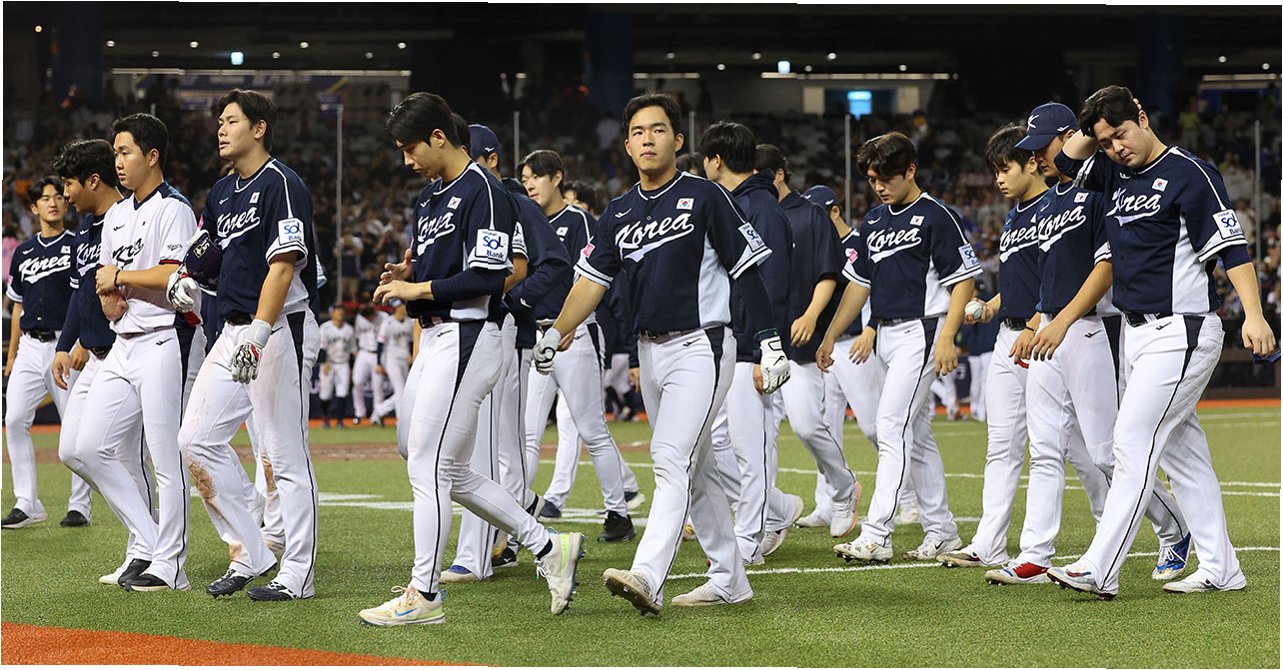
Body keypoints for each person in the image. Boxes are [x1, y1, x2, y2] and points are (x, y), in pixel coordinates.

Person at [538, 92, 789, 614]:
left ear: (677, 140)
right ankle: (730, 580)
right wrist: (558, 330)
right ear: (627, 146)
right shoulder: (618, 211)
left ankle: (647, 574)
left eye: (657, 130)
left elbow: (747, 270)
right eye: (637, 132)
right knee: (697, 468)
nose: (647, 139)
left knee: (671, 457)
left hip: (703, 343)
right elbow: (591, 282)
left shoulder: (706, 196)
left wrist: (769, 341)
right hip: (650, 350)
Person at [357, 92, 583, 626]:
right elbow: (441, 269)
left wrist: (416, 290)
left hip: (470, 333)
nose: (406, 160)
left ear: (439, 136)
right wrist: (408, 275)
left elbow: (485, 277)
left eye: (410, 147)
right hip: (437, 335)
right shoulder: (429, 197)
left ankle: (424, 594)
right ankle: (548, 546)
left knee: (429, 465)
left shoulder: (484, 189)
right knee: (437, 462)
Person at [1047, 86, 1275, 598]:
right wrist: (1093, 126)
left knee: (1132, 441)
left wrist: (1255, 315)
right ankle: (1222, 567)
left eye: (1121, 133)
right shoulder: (1113, 172)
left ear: (1144, 118)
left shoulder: (1190, 173)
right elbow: (1063, 162)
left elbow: (1231, 248)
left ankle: (1099, 568)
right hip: (1136, 333)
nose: (1116, 147)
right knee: (1182, 454)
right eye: (1105, 141)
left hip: (1182, 329)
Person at [170, 88, 322, 601]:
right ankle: (251, 550)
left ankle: (297, 572)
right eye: (219, 121)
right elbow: (204, 253)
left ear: (259, 128)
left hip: (277, 328)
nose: (220, 128)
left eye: (231, 120)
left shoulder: (282, 183)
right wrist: (183, 277)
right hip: (233, 330)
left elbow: (284, 264)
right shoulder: (221, 192)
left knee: (283, 454)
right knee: (195, 439)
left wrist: (259, 331)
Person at [936, 124, 1105, 572]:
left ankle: (1113, 528)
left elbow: (1059, 281)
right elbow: (1022, 280)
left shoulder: (1056, 207)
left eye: (1004, 168)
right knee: (1004, 445)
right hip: (1010, 336)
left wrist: (1033, 324)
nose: (998, 179)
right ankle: (988, 543)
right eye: (994, 171)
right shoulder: (1015, 215)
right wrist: (992, 307)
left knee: (1083, 450)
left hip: (1046, 333)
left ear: (1032, 162)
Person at [818, 131, 976, 564]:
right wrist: (831, 334)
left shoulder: (935, 216)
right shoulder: (873, 221)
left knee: (890, 426)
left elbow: (963, 281)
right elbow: (858, 285)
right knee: (916, 435)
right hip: (887, 335)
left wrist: (948, 336)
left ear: (910, 170)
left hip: (921, 331)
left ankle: (877, 534)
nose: (879, 186)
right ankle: (942, 531)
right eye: (872, 180)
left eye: (886, 177)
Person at [77, 112, 204, 591]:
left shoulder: (174, 208)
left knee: (164, 459)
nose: (118, 161)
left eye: (125, 151)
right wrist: (109, 294)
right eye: (115, 152)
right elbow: (105, 281)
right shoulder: (116, 215)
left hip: (161, 340)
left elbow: (174, 275)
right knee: (88, 447)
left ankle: (171, 566)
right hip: (123, 342)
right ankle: (149, 542)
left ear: (152, 156)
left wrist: (120, 279)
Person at [699, 124, 814, 564]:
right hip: (732, 340)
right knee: (716, 443)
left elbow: (771, 285)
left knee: (752, 448)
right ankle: (777, 508)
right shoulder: (739, 202)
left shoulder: (760, 207)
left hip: (751, 345)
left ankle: (749, 537)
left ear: (716, 161)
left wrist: (763, 347)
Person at [518, 148, 636, 543]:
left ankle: (618, 514)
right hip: (538, 335)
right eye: (525, 179)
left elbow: (592, 277)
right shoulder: (527, 221)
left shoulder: (579, 220)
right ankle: (517, 512)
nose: (530, 184)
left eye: (536, 176)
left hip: (576, 333)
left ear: (557, 178)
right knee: (528, 432)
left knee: (591, 428)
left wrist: (571, 321)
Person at [800, 182, 922, 529]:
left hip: (856, 343)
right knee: (826, 429)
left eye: (819, 215)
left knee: (874, 426)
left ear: (835, 211)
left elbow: (876, 288)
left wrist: (871, 329)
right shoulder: (816, 248)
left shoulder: (858, 242)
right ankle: (827, 503)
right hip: (825, 348)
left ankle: (909, 497)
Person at [3, 175, 89, 529]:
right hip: (29, 346)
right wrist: (11, 356)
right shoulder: (23, 252)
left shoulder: (76, 243)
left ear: (65, 203)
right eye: (45, 198)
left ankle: (79, 506)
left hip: (63, 345)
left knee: (74, 426)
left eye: (57, 197)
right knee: (13, 419)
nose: (53, 202)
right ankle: (27, 502)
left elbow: (84, 298)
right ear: (33, 208)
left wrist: (80, 342)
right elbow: (17, 307)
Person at [372, 301, 413, 422]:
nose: (405, 307)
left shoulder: (409, 322)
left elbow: (411, 341)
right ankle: (400, 419)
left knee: (405, 390)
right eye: (402, 305)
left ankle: (380, 409)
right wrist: (378, 363)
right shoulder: (388, 322)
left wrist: (411, 353)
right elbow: (380, 343)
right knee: (400, 389)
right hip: (391, 358)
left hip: (404, 358)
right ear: (397, 307)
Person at [317, 304, 354, 428]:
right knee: (325, 393)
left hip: (343, 363)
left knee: (342, 392)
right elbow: (322, 348)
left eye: (342, 311)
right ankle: (325, 418)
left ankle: (340, 420)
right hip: (329, 363)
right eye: (337, 311)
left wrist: (351, 366)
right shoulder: (325, 328)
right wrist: (324, 363)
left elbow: (352, 350)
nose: (340, 313)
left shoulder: (349, 329)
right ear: (331, 313)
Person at [351, 302, 388, 426]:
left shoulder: (384, 317)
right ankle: (359, 412)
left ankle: (377, 416)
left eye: (370, 316)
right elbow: (357, 335)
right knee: (357, 382)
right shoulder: (359, 318)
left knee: (378, 386)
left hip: (379, 354)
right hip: (363, 352)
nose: (368, 319)